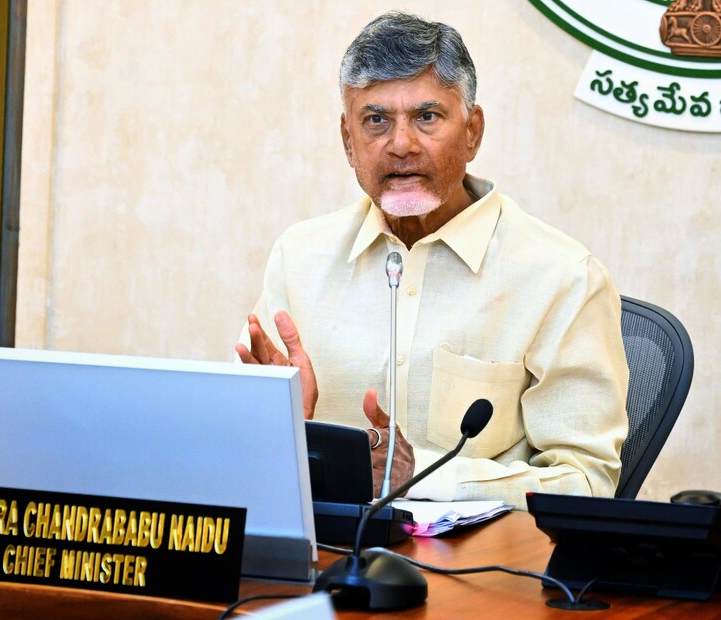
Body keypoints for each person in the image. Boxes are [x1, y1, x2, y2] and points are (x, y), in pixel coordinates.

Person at [236, 12, 628, 510]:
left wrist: (421, 475)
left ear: (473, 132)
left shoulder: (562, 277)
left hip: (484, 556)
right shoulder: (299, 257)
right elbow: (238, 450)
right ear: (348, 140)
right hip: (329, 547)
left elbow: (587, 481)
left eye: (426, 117)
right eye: (376, 120)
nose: (401, 144)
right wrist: (283, 428)